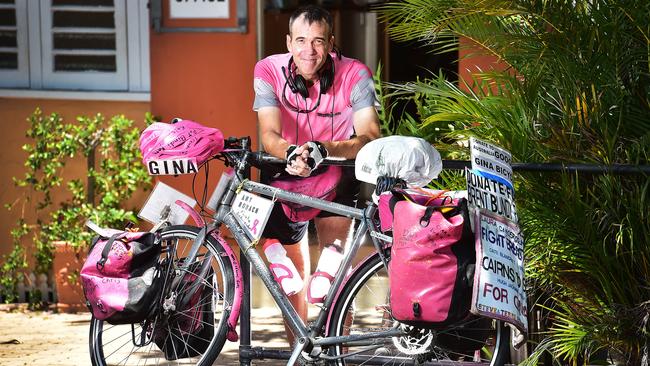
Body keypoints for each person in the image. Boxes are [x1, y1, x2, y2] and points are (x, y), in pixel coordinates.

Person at [252, 4, 380, 343]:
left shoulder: (356, 74)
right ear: (288, 42)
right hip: (285, 171)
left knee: (335, 277)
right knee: (290, 277)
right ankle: (300, 353)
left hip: (336, 173)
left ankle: (337, 355)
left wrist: (325, 149)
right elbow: (268, 135)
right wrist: (292, 153)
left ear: (332, 43)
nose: (309, 51)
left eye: (319, 41)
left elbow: (369, 136)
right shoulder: (267, 70)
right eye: (301, 41)